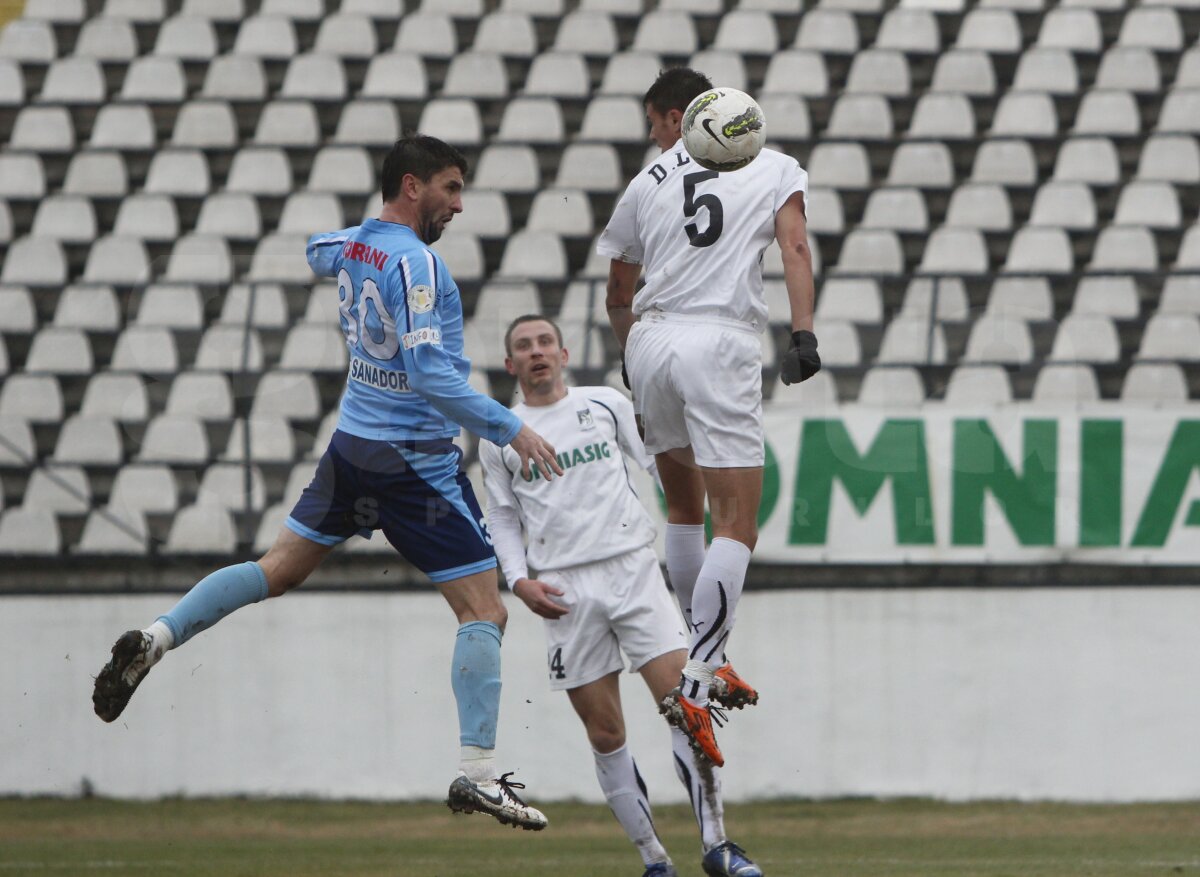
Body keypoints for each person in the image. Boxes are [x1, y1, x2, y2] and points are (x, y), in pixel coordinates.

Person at [92, 135, 562, 831]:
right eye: (451, 189)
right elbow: (432, 375)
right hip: (412, 460)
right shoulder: (418, 262)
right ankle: (479, 774)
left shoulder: (363, 246)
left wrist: (364, 236)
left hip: (351, 448)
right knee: (484, 611)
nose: (459, 205)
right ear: (412, 186)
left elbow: (318, 249)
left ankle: (156, 639)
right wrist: (508, 427)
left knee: (275, 568)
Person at [480, 313, 764, 877]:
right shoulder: (500, 434)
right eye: (523, 347)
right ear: (510, 365)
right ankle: (654, 860)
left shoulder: (604, 403)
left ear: (563, 353)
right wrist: (518, 581)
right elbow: (503, 518)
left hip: (633, 572)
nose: (536, 352)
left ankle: (718, 846)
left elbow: (660, 470)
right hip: (563, 589)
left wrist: (691, 523)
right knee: (606, 732)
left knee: (688, 709)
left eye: (544, 342)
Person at [598, 68, 821, 768]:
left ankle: (702, 655)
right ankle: (700, 670)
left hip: (651, 338)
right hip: (717, 341)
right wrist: (803, 333)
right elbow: (794, 247)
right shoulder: (777, 166)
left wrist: (635, 355)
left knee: (684, 511)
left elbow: (616, 291)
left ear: (679, 118)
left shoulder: (648, 181)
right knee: (739, 523)